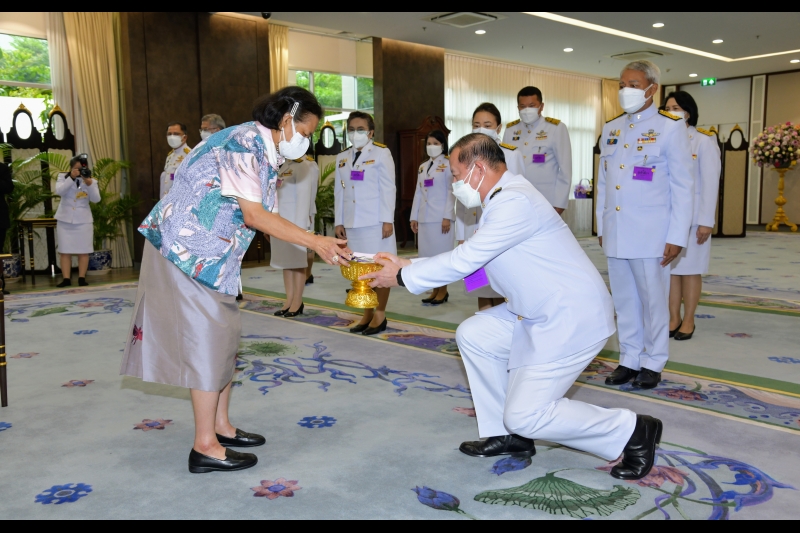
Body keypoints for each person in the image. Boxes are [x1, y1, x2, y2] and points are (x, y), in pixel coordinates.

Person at [364, 133, 663, 481]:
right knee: (475, 333)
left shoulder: (513, 202)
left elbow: (468, 259)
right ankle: (509, 436)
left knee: (527, 414)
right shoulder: (500, 202)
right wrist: (408, 264)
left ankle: (632, 430)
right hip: (533, 309)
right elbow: (479, 271)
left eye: (457, 178)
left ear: (477, 169)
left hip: (569, 317)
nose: (455, 186)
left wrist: (401, 277)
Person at [121, 86, 352, 474]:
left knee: (224, 336)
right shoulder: (245, 143)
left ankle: (221, 426)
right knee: (208, 340)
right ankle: (205, 446)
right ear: (286, 122)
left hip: (215, 253)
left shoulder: (260, 146)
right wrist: (315, 241)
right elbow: (255, 216)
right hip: (188, 251)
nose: (308, 141)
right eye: (307, 132)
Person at [597, 60, 694, 390]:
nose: (627, 89)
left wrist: (677, 235)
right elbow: (604, 183)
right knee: (623, 300)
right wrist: (601, 225)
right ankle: (629, 358)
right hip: (618, 230)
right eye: (623, 83)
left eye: (635, 84)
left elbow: (683, 186)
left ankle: (653, 361)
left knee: (654, 301)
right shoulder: (611, 128)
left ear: (652, 88)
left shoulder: (670, 127)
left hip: (653, 233)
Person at [664, 92, 721, 341]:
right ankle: (673, 317)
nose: (671, 111)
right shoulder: (662, 139)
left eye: (676, 107)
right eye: (667, 108)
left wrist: (707, 221)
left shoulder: (703, 141)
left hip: (694, 219)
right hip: (667, 217)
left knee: (690, 270)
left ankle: (689, 320)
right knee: (671, 271)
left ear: (688, 111)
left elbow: (710, 183)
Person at [334, 111, 396, 335]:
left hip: (375, 222)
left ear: (370, 132)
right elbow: (339, 192)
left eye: (360, 129)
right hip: (352, 223)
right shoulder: (342, 156)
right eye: (351, 129)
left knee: (379, 269)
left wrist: (387, 220)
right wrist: (339, 221)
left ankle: (380, 315)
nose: (355, 133)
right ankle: (366, 312)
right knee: (360, 269)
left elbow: (388, 188)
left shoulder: (381, 153)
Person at [456, 102, 523, 310]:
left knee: (503, 287)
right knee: (478, 286)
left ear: (498, 128)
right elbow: (460, 199)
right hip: (472, 229)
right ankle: (484, 327)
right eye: (476, 124)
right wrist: (461, 236)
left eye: (487, 124)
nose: (481, 129)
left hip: (500, 233)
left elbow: (519, 197)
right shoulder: (465, 156)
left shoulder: (511, 155)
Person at [503, 86, 572, 214]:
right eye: (522, 106)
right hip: (516, 200)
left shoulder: (556, 128)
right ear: (518, 108)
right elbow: (504, 167)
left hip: (546, 200)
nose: (526, 110)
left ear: (541, 106)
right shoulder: (510, 130)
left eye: (531, 105)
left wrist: (559, 203)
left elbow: (565, 170)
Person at [271, 153, 319, 317]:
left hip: (295, 223)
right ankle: (289, 300)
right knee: (286, 262)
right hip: (281, 222)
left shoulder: (304, 166)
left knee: (297, 262)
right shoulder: (284, 166)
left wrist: (300, 229)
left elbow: (305, 199)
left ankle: (297, 301)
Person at [410, 130, 455, 305]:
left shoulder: (449, 164)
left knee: (441, 257)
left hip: (440, 219)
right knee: (427, 257)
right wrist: (414, 216)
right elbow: (418, 193)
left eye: (436, 143)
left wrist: (447, 216)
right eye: (429, 143)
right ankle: (434, 289)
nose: (432, 147)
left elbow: (451, 192)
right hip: (425, 218)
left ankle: (443, 290)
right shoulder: (423, 166)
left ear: (443, 145)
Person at [54, 154, 101, 287]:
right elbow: (59, 191)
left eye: (82, 168)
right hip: (65, 220)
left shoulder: (91, 180)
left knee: (83, 250)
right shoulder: (62, 177)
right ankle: (66, 279)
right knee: (64, 250)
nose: (79, 171)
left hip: (83, 220)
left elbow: (96, 199)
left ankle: (81, 278)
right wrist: (71, 178)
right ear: (71, 168)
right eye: (76, 168)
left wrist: (90, 184)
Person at [160, 122, 191, 198]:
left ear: (184, 137)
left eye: (176, 134)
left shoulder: (189, 155)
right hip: (167, 201)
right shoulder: (170, 156)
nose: (172, 136)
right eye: (169, 134)